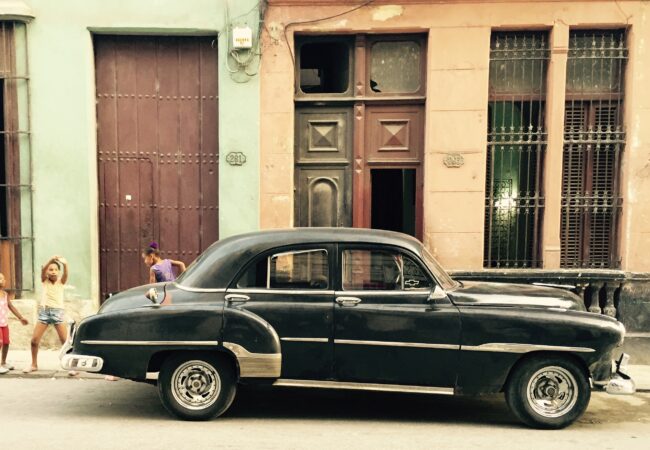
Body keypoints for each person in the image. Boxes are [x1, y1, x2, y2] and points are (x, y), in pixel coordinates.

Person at [22, 256, 71, 373]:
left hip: (57, 313)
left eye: (55, 270)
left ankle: (70, 366)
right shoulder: (45, 281)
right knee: (34, 341)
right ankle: (34, 365)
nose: (53, 272)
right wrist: (51, 259)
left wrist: (64, 264)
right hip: (44, 313)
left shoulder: (61, 282)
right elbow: (43, 270)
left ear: (58, 272)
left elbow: (66, 274)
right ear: (47, 272)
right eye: (51, 269)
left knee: (65, 342)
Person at [0, 272, 29, 374]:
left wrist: (21, 317)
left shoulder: (5, 295)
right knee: (0, 342)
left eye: (2, 279)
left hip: (4, 323)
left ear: (5, 281)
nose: (1, 280)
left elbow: (11, 307)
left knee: (6, 342)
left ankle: (3, 362)